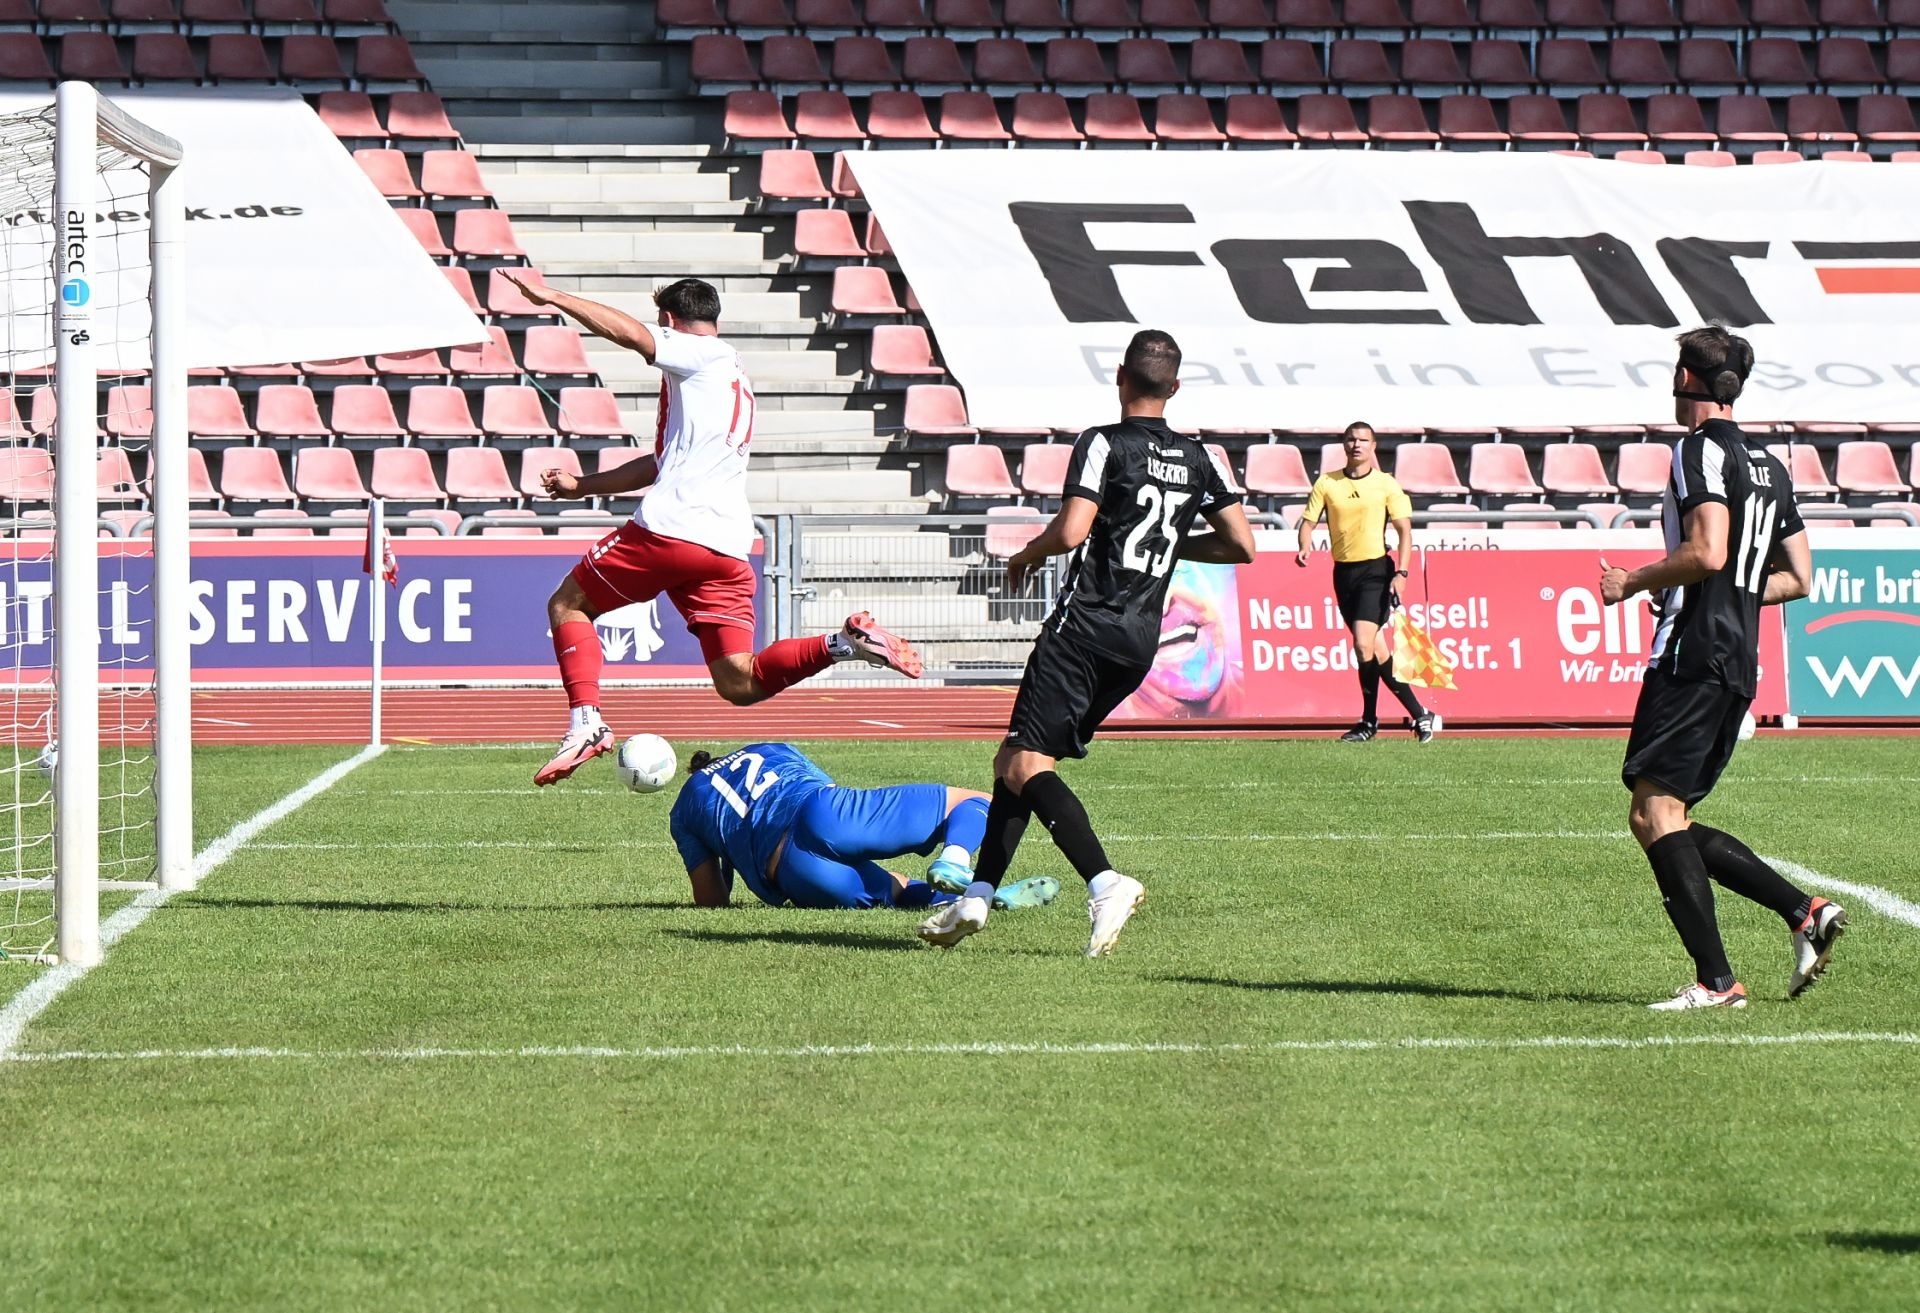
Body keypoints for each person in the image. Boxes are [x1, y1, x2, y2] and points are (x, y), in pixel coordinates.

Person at [500, 273, 924, 787]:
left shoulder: (699, 354)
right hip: (725, 546)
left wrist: (552, 297)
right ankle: (842, 643)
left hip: (674, 529)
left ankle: (586, 722)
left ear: (669, 321)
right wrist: (582, 486)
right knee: (739, 681)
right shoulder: (730, 375)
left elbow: (632, 335)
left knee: (568, 605)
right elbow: (660, 462)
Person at [915, 329, 1256, 956]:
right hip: (1139, 642)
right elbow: (1242, 545)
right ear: (1175, 387)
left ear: (1120, 376)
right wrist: (1172, 546)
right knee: (1016, 761)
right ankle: (976, 897)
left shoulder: (1104, 442)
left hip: (1083, 627)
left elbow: (1073, 531)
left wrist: (1026, 553)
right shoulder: (1200, 457)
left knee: (1026, 764)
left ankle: (1105, 882)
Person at [1600, 325, 1845, 1011]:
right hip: (1738, 658)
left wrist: (1632, 582)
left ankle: (1718, 982)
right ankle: (1804, 912)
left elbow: (1707, 552)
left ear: (1685, 377)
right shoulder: (1770, 466)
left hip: (1693, 653)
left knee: (1654, 812)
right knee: (1664, 816)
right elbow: (1799, 577)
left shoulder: (1695, 450)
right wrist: (1731, 593)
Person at [669, 743, 1060, 912]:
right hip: (823, 813)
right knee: (979, 802)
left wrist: (725, 855)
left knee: (898, 890)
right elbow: (826, 789)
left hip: (792, 873)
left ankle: (980, 898)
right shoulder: (769, 748)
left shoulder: (684, 809)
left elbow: (712, 901)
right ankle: (956, 859)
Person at [1294, 421, 1435, 744]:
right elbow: (1308, 522)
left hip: (1376, 570)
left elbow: (1404, 531)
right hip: (1344, 574)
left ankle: (1369, 720)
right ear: (1344, 445)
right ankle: (1419, 713)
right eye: (1350, 439)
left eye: (1362, 440)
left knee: (1362, 643)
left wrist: (1402, 573)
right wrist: (1304, 545)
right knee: (1374, 649)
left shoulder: (1386, 484)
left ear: (1373, 446)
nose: (1356, 444)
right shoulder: (1327, 482)